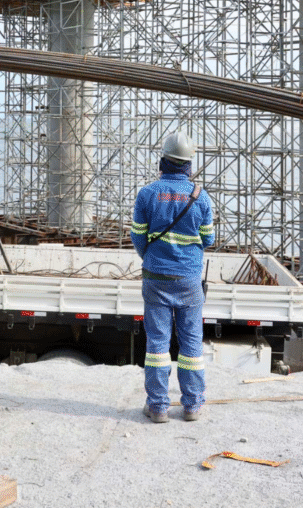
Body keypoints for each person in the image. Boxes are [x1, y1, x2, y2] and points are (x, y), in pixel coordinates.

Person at [130, 130, 215, 423]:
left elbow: (138, 237)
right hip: (189, 279)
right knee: (191, 344)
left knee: (157, 344)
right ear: (189, 165)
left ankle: (158, 407)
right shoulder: (200, 197)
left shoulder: (147, 194)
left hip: (156, 276)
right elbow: (208, 239)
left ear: (163, 161)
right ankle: (191, 406)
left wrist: (153, 258)